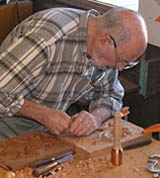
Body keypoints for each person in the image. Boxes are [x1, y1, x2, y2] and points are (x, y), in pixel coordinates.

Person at [0, 7, 148, 140]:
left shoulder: (104, 50)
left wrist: (95, 118)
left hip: (44, 136)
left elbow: (111, 95)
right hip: (6, 131)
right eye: (121, 61)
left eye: (129, 63)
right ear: (105, 41)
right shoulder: (47, 40)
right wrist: (43, 114)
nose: (120, 68)